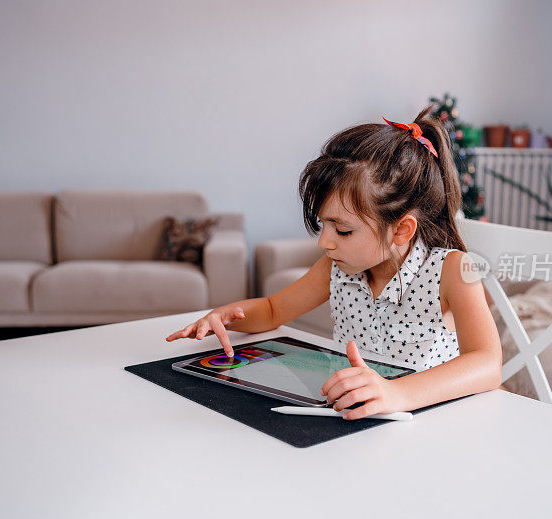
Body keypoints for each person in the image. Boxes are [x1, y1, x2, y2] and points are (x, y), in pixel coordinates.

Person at [166, 105, 502, 419]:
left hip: (436, 422)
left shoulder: (453, 270)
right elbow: (272, 310)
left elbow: (487, 363)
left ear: (402, 230)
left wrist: (396, 393)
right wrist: (224, 316)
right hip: (356, 416)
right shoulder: (337, 268)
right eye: (324, 224)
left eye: (342, 230)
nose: (324, 242)